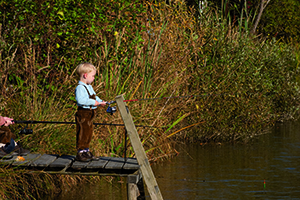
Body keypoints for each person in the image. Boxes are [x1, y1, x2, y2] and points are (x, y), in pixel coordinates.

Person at [74, 63, 107, 162]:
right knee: (82, 132)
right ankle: (80, 152)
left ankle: (86, 151)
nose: (93, 78)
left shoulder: (89, 86)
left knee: (88, 132)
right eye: (92, 76)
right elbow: (81, 101)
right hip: (83, 113)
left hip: (90, 114)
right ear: (85, 75)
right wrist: (94, 102)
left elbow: (94, 96)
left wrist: (101, 102)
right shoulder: (80, 88)